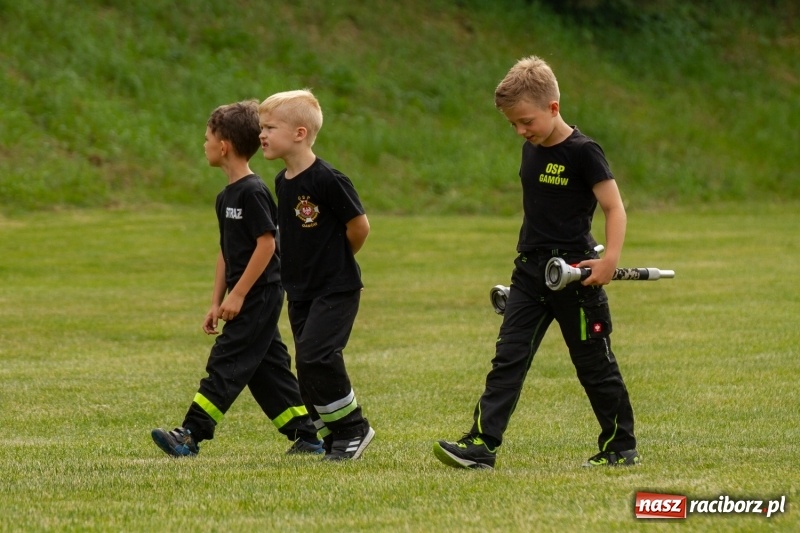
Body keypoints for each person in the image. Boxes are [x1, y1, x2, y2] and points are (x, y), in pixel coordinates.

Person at [433, 56, 639, 470]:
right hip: (529, 273)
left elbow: (614, 208)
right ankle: (482, 444)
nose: (520, 131)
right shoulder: (531, 150)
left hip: (575, 277)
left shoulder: (585, 152)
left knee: (594, 365)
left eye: (526, 121)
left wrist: (609, 261)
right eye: (513, 124)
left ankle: (620, 445)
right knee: (508, 358)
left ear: (553, 108)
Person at [151, 100, 322, 457]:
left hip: (261, 294)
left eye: (207, 137)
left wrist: (239, 294)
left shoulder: (253, 191)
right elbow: (225, 252)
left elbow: (267, 244)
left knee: (227, 360)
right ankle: (307, 436)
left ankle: (190, 434)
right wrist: (216, 300)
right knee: (267, 370)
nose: (205, 144)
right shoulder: (224, 197)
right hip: (244, 295)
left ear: (223, 145)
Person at [258, 89, 374, 461]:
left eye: (270, 127)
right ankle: (330, 435)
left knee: (317, 356)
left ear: (300, 133)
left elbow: (360, 227)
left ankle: (354, 428)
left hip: (335, 287)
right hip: (301, 290)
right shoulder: (282, 181)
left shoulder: (328, 179)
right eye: (262, 127)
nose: (262, 134)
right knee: (306, 364)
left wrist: (335, 261)